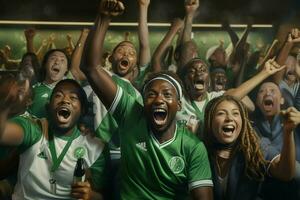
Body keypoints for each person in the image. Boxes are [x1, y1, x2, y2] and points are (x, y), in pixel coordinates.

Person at [82, 0, 213, 199]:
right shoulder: (132, 114)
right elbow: (91, 67)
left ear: (179, 105)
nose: (159, 99)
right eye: (151, 94)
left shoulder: (193, 147)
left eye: (167, 95)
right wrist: (104, 18)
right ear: (143, 102)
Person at [0, 77, 108, 199]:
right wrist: (4, 106)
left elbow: (100, 195)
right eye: (58, 96)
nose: (65, 100)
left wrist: (91, 195)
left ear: (82, 110)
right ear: (48, 107)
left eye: (73, 97)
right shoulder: (34, 128)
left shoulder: (95, 146)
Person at [203, 95, 297, 200]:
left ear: (243, 121)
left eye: (235, 113)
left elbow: (285, 173)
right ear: (209, 121)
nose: (229, 118)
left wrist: (288, 132)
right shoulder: (199, 151)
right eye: (221, 113)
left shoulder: (255, 146)